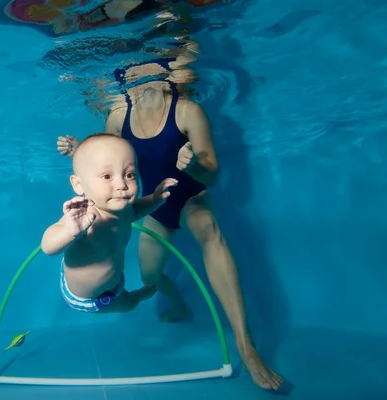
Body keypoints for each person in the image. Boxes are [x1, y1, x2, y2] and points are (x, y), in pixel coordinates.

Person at [56, 66, 284, 391]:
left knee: (209, 231)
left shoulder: (188, 111)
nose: (140, 71)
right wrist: (80, 150)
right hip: (155, 200)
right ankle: (179, 305)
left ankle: (247, 348)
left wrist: (194, 166)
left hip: (192, 194)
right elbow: (106, 162)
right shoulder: (118, 116)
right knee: (149, 277)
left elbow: (213, 176)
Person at [41, 133, 178, 313]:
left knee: (123, 300)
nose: (122, 184)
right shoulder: (82, 217)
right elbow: (47, 246)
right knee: (127, 304)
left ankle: (128, 295)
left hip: (114, 281)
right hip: (85, 297)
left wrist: (154, 199)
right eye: (107, 176)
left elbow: (135, 212)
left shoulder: (123, 209)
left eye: (129, 174)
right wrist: (69, 232)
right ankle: (136, 296)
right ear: (78, 185)